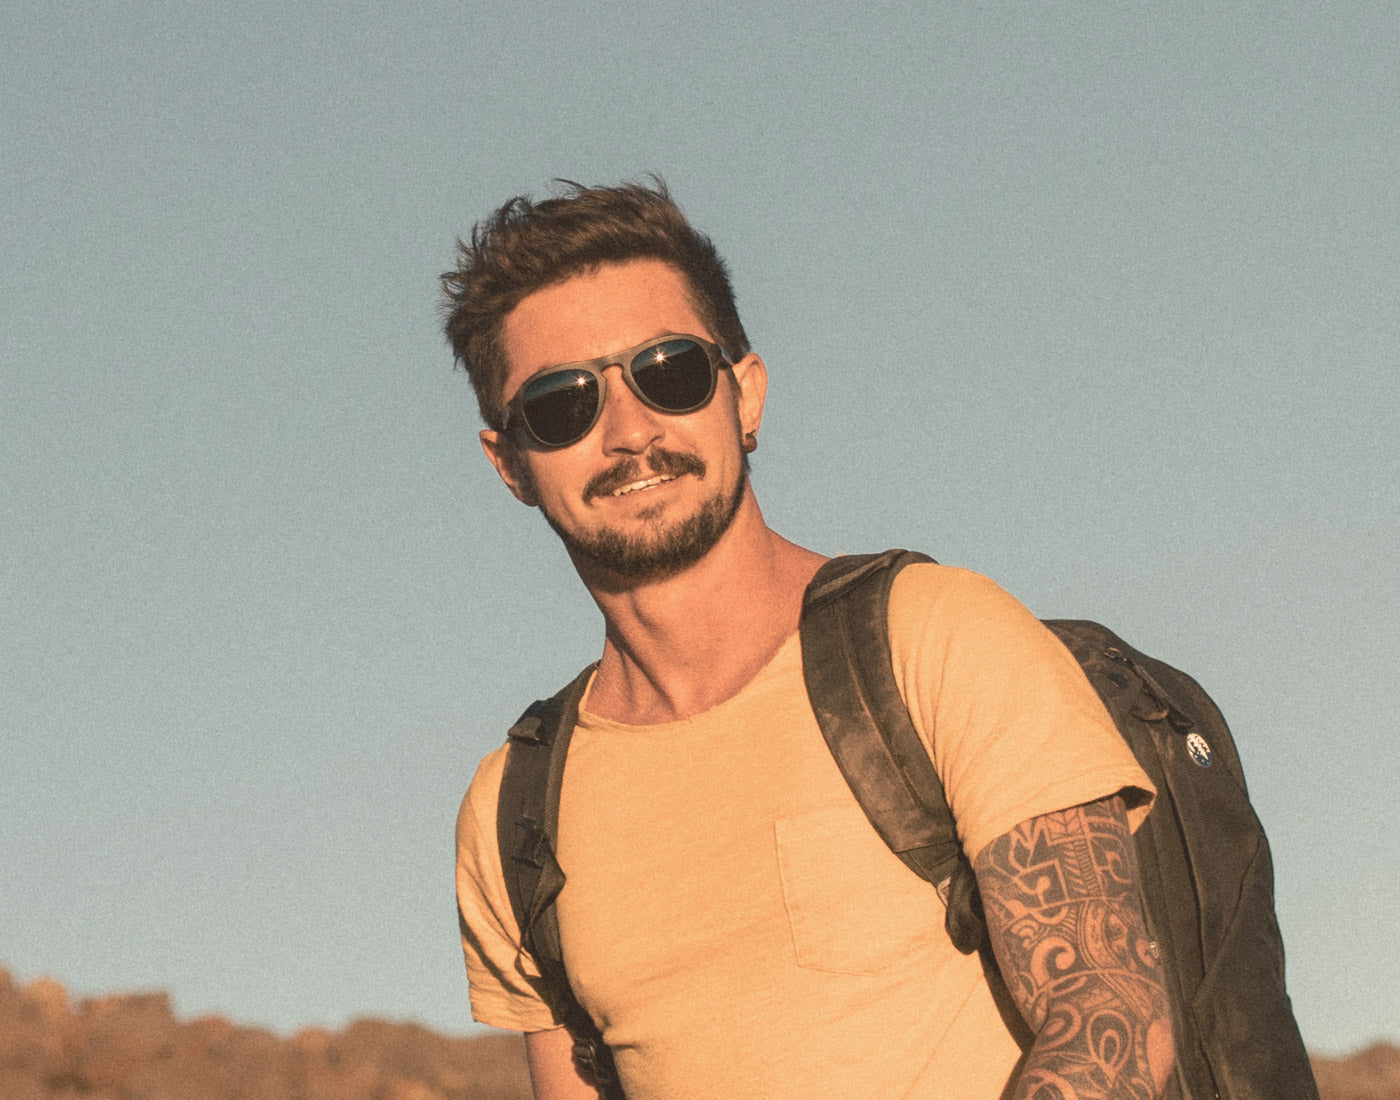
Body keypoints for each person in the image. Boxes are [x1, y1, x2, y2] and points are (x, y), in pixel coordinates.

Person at [444, 180, 1173, 1099]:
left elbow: (1112, 1019)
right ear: (508, 462)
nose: (630, 431)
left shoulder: (933, 638)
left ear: (744, 395)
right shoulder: (513, 810)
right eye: (562, 405)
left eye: (669, 372)